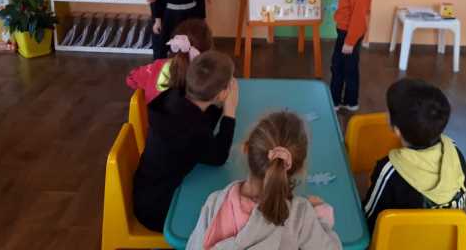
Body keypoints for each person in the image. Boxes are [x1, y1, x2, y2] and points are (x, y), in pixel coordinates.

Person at [186, 111, 342, 249]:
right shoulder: (300, 215)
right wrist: (322, 219)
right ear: (298, 169)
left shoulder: (215, 203)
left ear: (246, 148)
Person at [133, 50, 238, 232]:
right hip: (158, 211)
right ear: (222, 93)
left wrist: (219, 104)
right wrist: (230, 112)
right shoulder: (192, 131)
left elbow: (202, 120)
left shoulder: (175, 95)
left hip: (146, 192)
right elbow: (219, 157)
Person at [361, 78, 466, 232]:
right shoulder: (454, 151)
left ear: (397, 130)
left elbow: (369, 219)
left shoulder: (389, 170)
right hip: (446, 240)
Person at [125, 18, 213, 103]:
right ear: (208, 51)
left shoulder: (156, 67)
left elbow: (131, 79)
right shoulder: (210, 77)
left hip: (155, 113)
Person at [331, 0, 372, 112]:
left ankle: (335, 102)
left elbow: (358, 18)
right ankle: (350, 101)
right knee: (347, 66)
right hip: (347, 31)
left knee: (340, 67)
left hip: (349, 33)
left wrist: (349, 41)